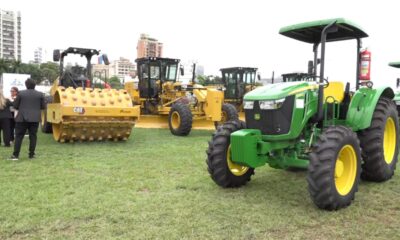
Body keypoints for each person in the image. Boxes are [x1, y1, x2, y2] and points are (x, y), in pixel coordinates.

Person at [10, 78, 45, 160]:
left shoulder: (21, 93)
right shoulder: (40, 94)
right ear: (34, 85)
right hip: (35, 118)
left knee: (19, 137)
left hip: (22, 118)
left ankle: (15, 155)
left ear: (26, 85)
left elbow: (15, 106)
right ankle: (31, 155)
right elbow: (43, 106)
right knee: (33, 136)